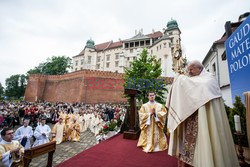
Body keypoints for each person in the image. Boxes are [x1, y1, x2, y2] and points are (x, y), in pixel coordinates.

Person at [166, 60, 239, 167]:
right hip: (191, 116)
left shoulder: (209, 78)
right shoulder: (194, 79)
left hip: (205, 116)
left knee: (208, 140)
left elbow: (199, 87)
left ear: (199, 68)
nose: (189, 72)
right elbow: (188, 91)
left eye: (191, 69)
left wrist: (180, 78)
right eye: (188, 70)